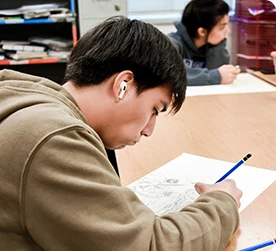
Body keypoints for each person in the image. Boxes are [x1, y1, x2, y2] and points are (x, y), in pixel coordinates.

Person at [0, 16, 242, 250]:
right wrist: (221, 202)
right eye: (155, 109)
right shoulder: (55, 139)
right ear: (123, 85)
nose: (149, 130)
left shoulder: (30, 103)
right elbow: (149, 246)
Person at [168, 0, 241, 86]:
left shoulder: (213, 44)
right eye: (222, 27)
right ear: (202, 31)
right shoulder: (171, 44)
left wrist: (218, 45)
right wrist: (216, 76)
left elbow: (220, 77)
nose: (227, 31)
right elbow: (170, 75)